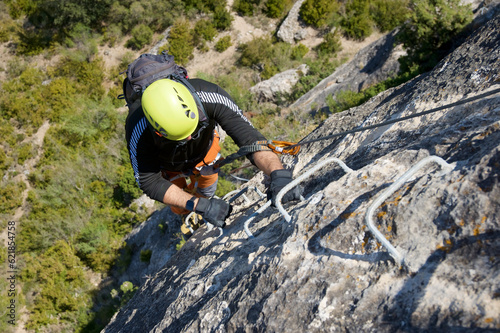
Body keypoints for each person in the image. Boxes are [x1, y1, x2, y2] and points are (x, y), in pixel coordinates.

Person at [125, 78, 300, 229]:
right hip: (168, 166)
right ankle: (190, 213)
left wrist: (278, 173)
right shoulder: (138, 129)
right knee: (180, 206)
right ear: (157, 132)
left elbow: (252, 140)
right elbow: (149, 182)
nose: (188, 138)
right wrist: (198, 206)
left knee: (207, 187)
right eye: (180, 137)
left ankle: (204, 203)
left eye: (192, 130)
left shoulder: (210, 95)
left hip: (205, 153)